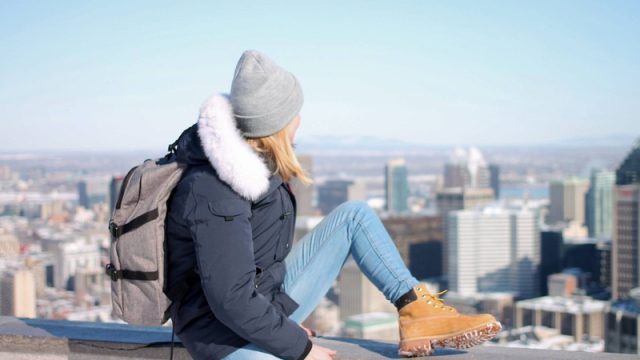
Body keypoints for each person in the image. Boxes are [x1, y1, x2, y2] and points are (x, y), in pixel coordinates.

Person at [165, 50, 502, 360]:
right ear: (276, 123)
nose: (300, 121)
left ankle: (417, 311)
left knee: (353, 216)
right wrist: (299, 347)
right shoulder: (214, 188)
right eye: (294, 114)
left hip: (260, 308)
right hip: (218, 335)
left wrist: (277, 327)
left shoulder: (256, 167)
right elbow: (231, 300)